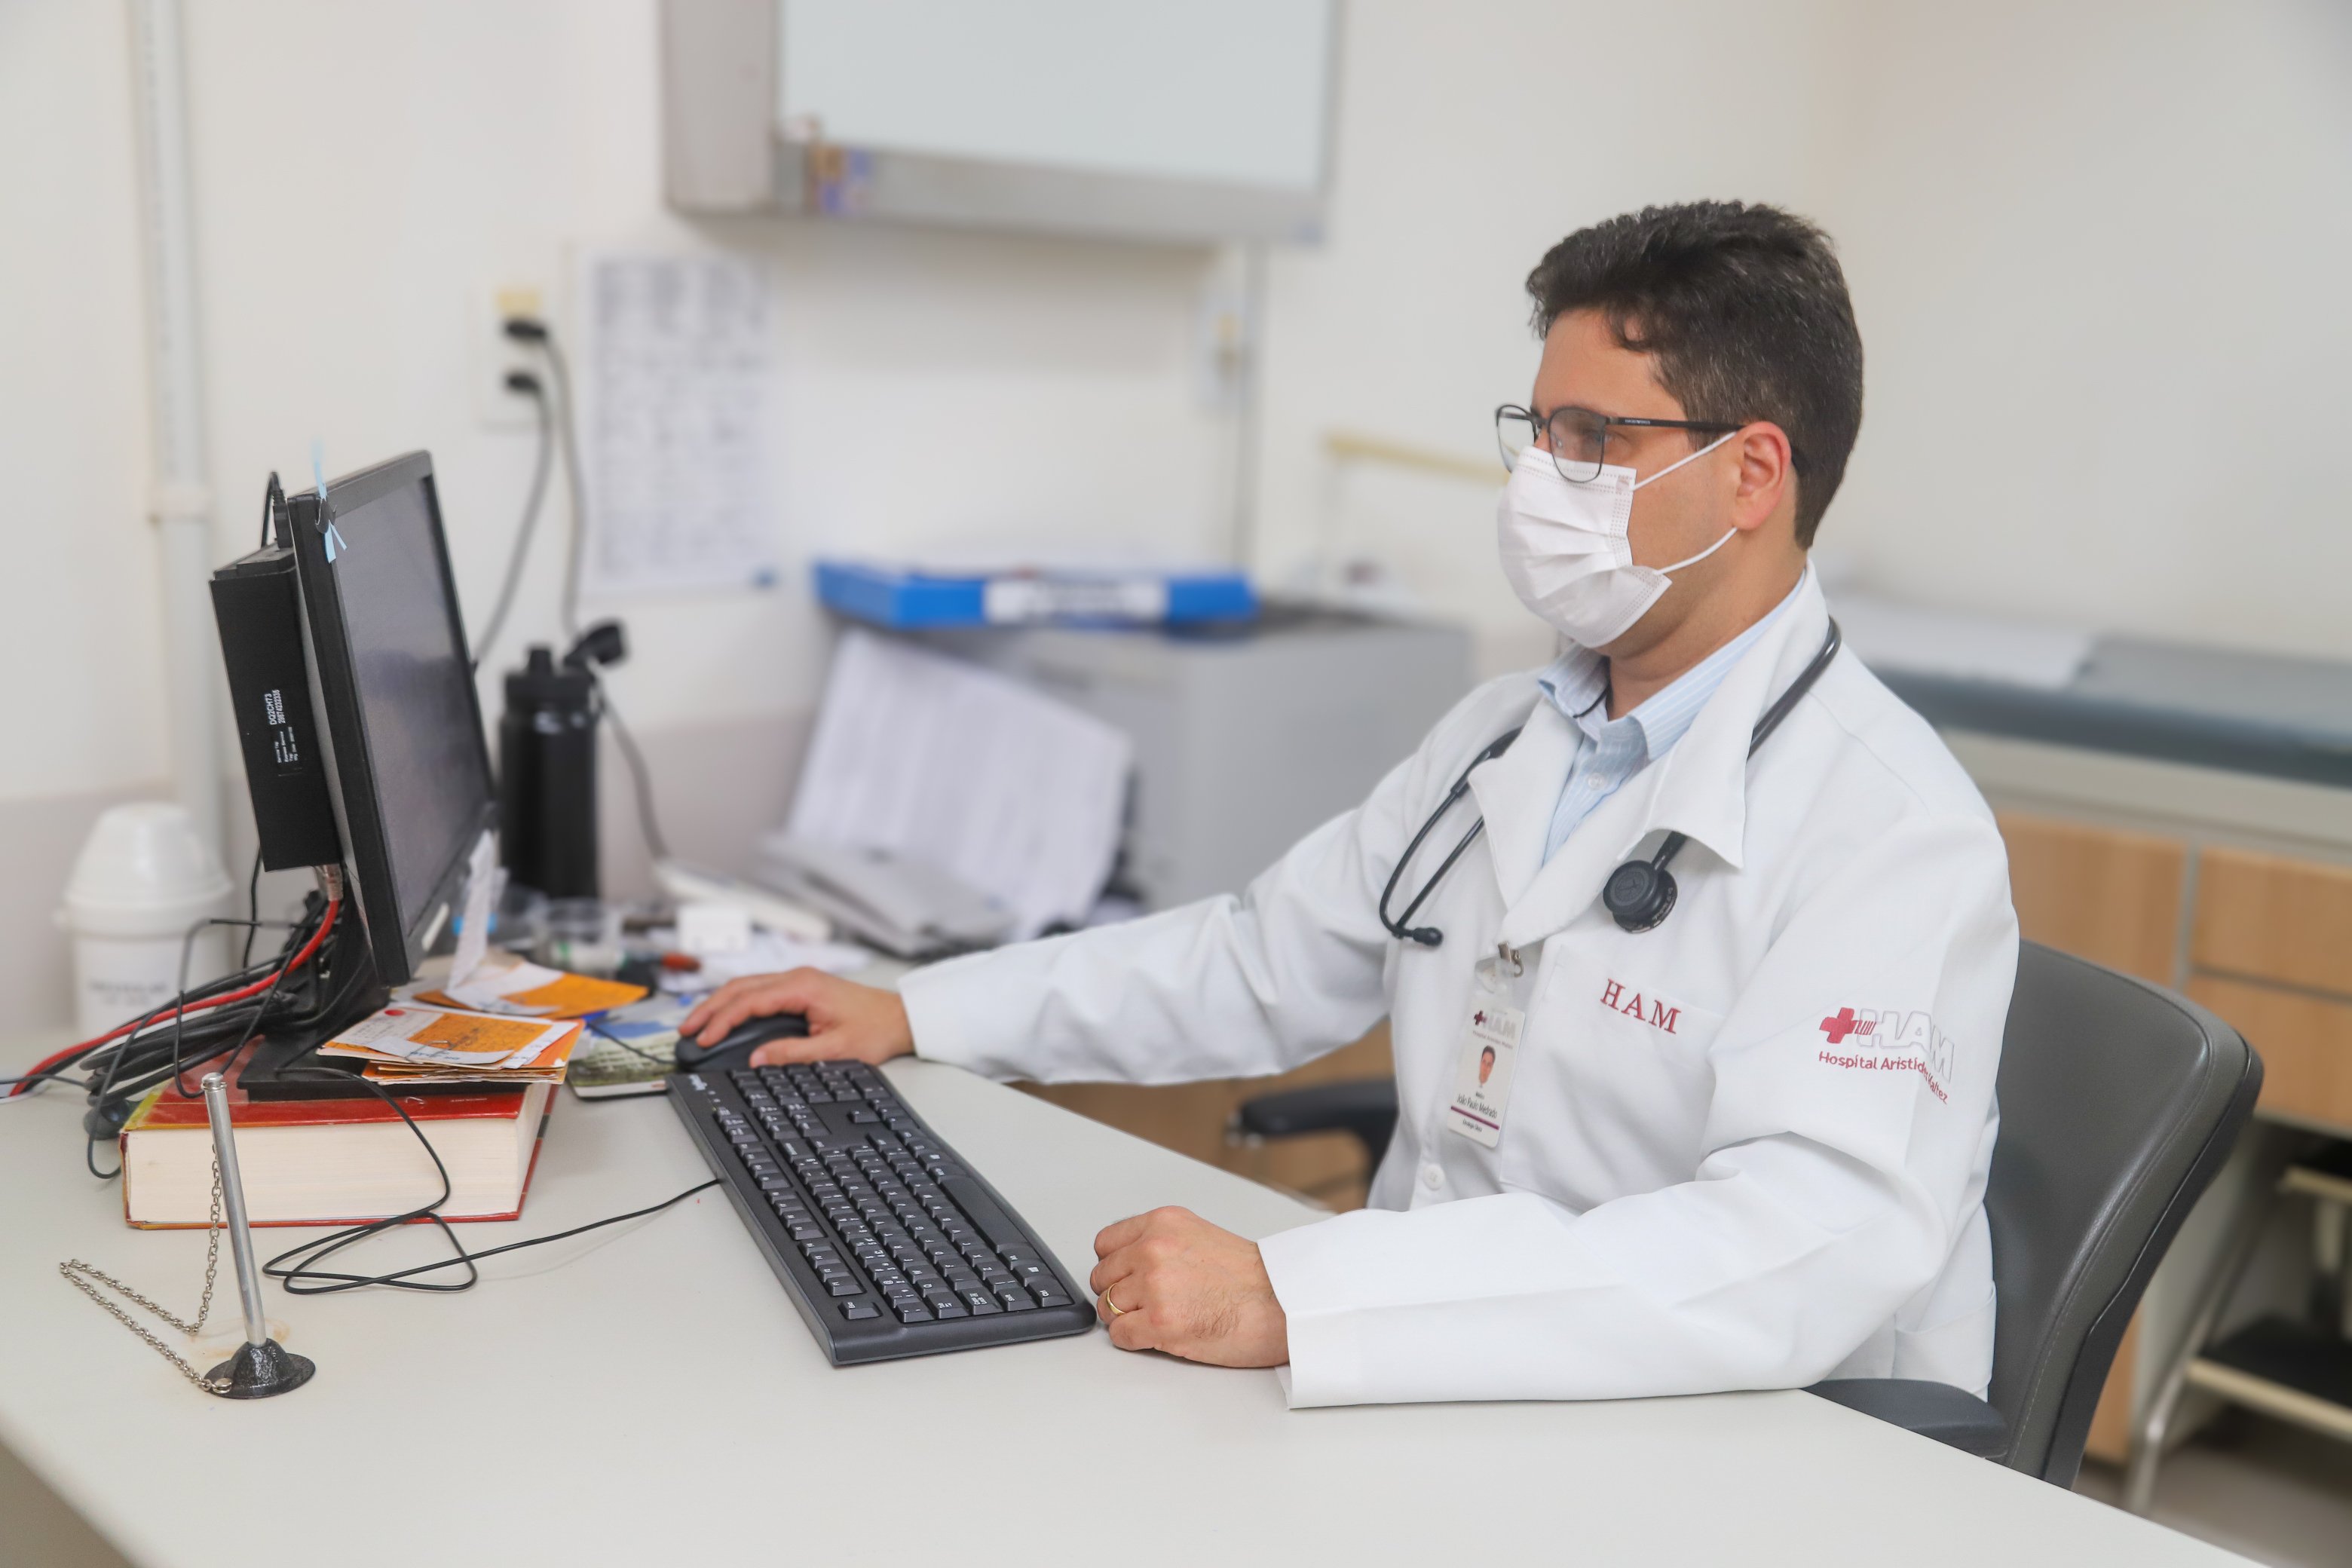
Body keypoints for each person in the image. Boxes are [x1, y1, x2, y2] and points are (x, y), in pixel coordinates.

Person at [682, 201, 2019, 1409]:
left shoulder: (1896, 834)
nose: (1541, 479)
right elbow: (1260, 958)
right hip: (1448, 1381)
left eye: (1595, 440)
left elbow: (1785, 1257)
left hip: (1741, 1442)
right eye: (1540, 432)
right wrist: (926, 1009)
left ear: (1751, 474)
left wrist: (1308, 1297)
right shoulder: (1507, 734)